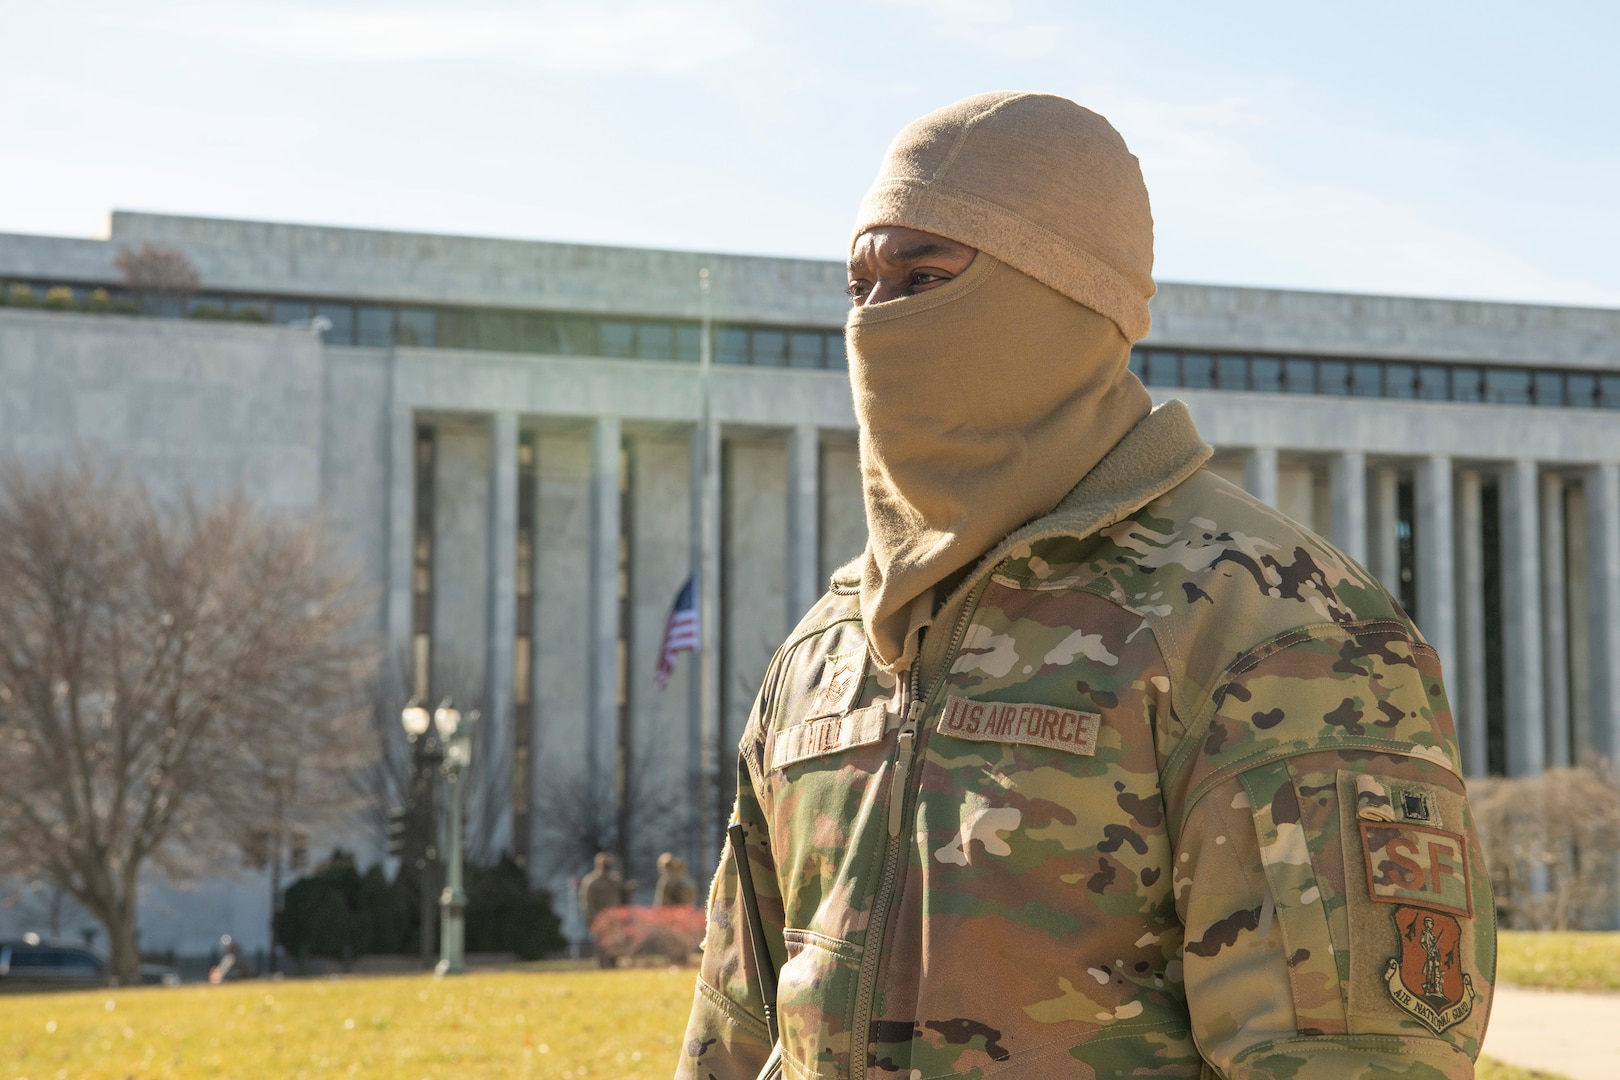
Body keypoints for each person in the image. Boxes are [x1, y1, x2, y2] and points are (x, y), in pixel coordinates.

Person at [677, 92, 1495, 1080]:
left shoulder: (1275, 626)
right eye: (861, 285)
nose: (876, 323)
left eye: (924, 277)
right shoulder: (827, 648)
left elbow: (1351, 1059)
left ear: (1059, 299)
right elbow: (740, 1027)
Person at [579, 851, 632, 967]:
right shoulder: (591, 882)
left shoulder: (614, 880)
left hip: (614, 919)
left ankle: (614, 964)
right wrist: (593, 918)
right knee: (601, 946)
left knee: (615, 944)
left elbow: (623, 891)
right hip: (600, 919)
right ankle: (603, 966)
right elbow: (588, 902)